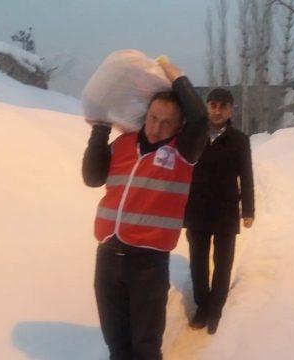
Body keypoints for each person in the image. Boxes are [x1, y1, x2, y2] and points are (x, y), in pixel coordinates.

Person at [82, 60, 208, 360]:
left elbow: (201, 119)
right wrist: (100, 130)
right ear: (145, 115)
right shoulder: (123, 143)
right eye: (153, 118)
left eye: (167, 122)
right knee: (117, 345)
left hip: (148, 265)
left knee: (145, 347)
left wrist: (177, 76)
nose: (157, 127)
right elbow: (92, 178)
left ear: (179, 127)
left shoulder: (182, 152)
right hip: (108, 257)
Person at [183, 88, 255, 335]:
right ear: (207, 106)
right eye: (213, 104)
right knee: (198, 263)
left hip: (225, 211)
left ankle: (216, 310)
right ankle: (202, 307)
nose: (217, 110)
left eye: (223, 106)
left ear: (230, 109)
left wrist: (248, 209)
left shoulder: (240, 140)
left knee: (223, 263)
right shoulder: (193, 136)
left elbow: (246, 176)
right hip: (196, 210)